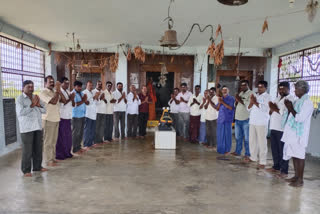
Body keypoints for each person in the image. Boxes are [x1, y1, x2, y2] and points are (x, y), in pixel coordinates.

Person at [282, 80, 313, 187]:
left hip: (299, 134)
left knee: (299, 156)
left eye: (296, 89)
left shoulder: (307, 102)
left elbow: (299, 118)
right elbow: (291, 114)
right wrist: (288, 106)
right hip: (292, 133)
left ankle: (300, 180)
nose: (294, 91)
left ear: (303, 89)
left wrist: (290, 107)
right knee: (294, 155)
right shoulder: (298, 101)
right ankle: (296, 176)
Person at [16, 80, 48, 177]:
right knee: (27, 150)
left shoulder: (36, 97)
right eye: (28, 87)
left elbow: (44, 109)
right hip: (27, 128)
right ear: (23, 88)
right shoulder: (20, 99)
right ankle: (26, 170)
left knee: (38, 148)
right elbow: (21, 112)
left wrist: (37, 104)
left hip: (37, 126)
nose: (31, 88)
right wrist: (32, 105)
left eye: (32, 87)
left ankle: (37, 167)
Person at [266, 82, 294, 177]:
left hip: (282, 128)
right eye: (280, 89)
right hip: (273, 126)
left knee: (282, 149)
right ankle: (276, 166)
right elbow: (271, 111)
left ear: (288, 89)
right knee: (274, 148)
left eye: (283, 89)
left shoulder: (290, 99)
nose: (281, 91)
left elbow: (285, 113)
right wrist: (272, 108)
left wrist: (274, 108)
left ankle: (284, 171)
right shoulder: (277, 98)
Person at [39, 75, 65, 167]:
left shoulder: (54, 91)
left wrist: (58, 90)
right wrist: (57, 90)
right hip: (48, 119)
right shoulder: (43, 93)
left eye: (53, 82)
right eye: (50, 82)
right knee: (48, 141)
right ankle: (48, 160)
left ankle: (52, 158)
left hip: (56, 118)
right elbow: (53, 102)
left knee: (54, 141)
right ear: (45, 83)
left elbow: (63, 100)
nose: (52, 83)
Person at [247, 80, 271, 169]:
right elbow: (248, 109)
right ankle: (253, 157)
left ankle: (263, 161)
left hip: (262, 122)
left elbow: (265, 109)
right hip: (253, 121)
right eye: (258, 87)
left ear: (266, 88)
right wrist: (251, 102)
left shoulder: (268, 97)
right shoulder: (255, 96)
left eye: (261, 87)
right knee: (252, 140)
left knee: (262, 142)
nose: (259, 89)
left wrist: (255, 102)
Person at [231, 80, 254, 159]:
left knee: (247, 138)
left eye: (244, 85)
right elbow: (236, 104)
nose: (243, 87)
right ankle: (238, 151)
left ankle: (247, 153)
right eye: (242, 85)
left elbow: (248, 105)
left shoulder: (251, 94)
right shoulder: (241, 93)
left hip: (246, 119)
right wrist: (236, 100)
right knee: (238, 137)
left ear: (248, 85)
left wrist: (239, 99)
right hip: (238, 118)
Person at [56, 77, 74, 160]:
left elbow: (72, 104)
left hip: (68, 117)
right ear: (61, 83)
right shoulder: (59, 92)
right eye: (65, 83)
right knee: (62, 137)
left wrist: (72, 99)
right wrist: (70, 98)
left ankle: (67, 152)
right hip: (62, 117)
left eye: (68, 83)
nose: (67, 84)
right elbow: (63, 102)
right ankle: (60, 154)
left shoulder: (68, 91)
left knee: (68, 137)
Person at [216, 86, 235, 155]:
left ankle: (227, 149)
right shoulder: (221, 98)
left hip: (227, 119)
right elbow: (217, 108)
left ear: (228, 91)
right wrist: (220, 102)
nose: (224, 91)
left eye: (226, 90)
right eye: (223, 90)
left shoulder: (231, 98)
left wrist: (222, 102)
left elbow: (230, 108)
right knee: (220, 135)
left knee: (227, 135)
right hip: (220, 119)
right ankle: (220, 149)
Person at [72, 80, 88, 155]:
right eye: (78, 86)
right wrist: (83, 100)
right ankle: (75, 149)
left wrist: (85, 100)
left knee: (81, 133)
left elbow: (86, 102)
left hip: (82, 115)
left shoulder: (81, 93)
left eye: (80, 87)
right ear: (74, 86)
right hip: (76, 116)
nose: (79, 88)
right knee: (76, 133)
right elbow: (75, 104)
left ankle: (79, 147)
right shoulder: (73, 94)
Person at [83, 81, 99, 149]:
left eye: (92, 85)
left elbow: (96, 103)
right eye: (89, 85)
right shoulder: (84, 92)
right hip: (88, 114)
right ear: (86, 85)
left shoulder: (92, 92)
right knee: (87, 129)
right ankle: (86, 144)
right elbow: (87, 103)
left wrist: (97, 98)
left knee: (92, 129)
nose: (91, 86)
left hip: (93, 114)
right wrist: (95, 97)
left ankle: (90, 143)